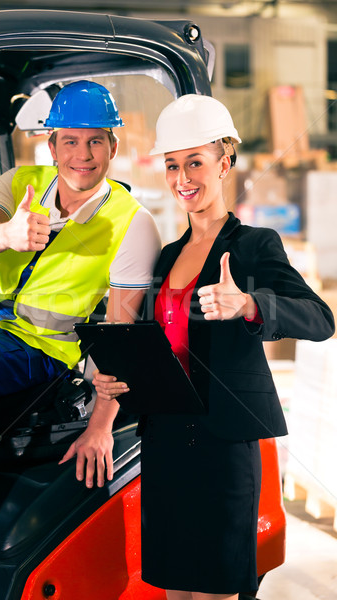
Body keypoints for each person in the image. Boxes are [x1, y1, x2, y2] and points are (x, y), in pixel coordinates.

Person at [63, 94, 335, 600]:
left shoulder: (254, 245)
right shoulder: (166, 256)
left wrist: (250, 304)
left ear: (224, 162)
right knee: (173, 588)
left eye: (195, 162)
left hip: (224, 444)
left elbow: (321, 319)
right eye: (172, 165)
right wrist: (112, 375)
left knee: (215, 590)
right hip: (165, 441)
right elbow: (152, 345)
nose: (183, 177)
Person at [0, 80, 161, 514]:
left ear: (113, 147)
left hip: (40, 351)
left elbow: (119, 337)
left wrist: (100, 426)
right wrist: (6, 233)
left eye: (96, 141)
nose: (83, 154)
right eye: (71, 141)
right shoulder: (18, 183)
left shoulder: (133, 224)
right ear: (52, 146)